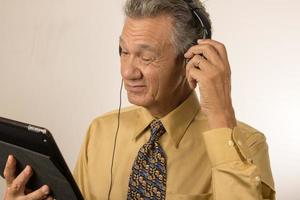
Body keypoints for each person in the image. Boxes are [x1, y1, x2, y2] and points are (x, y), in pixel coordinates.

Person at [3, 0, 275, 199]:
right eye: (123, 51)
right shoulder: (101, 131)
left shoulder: (247, 145)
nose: (127, 71)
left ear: (192, 58)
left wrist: (221, 113)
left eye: (146, 57)